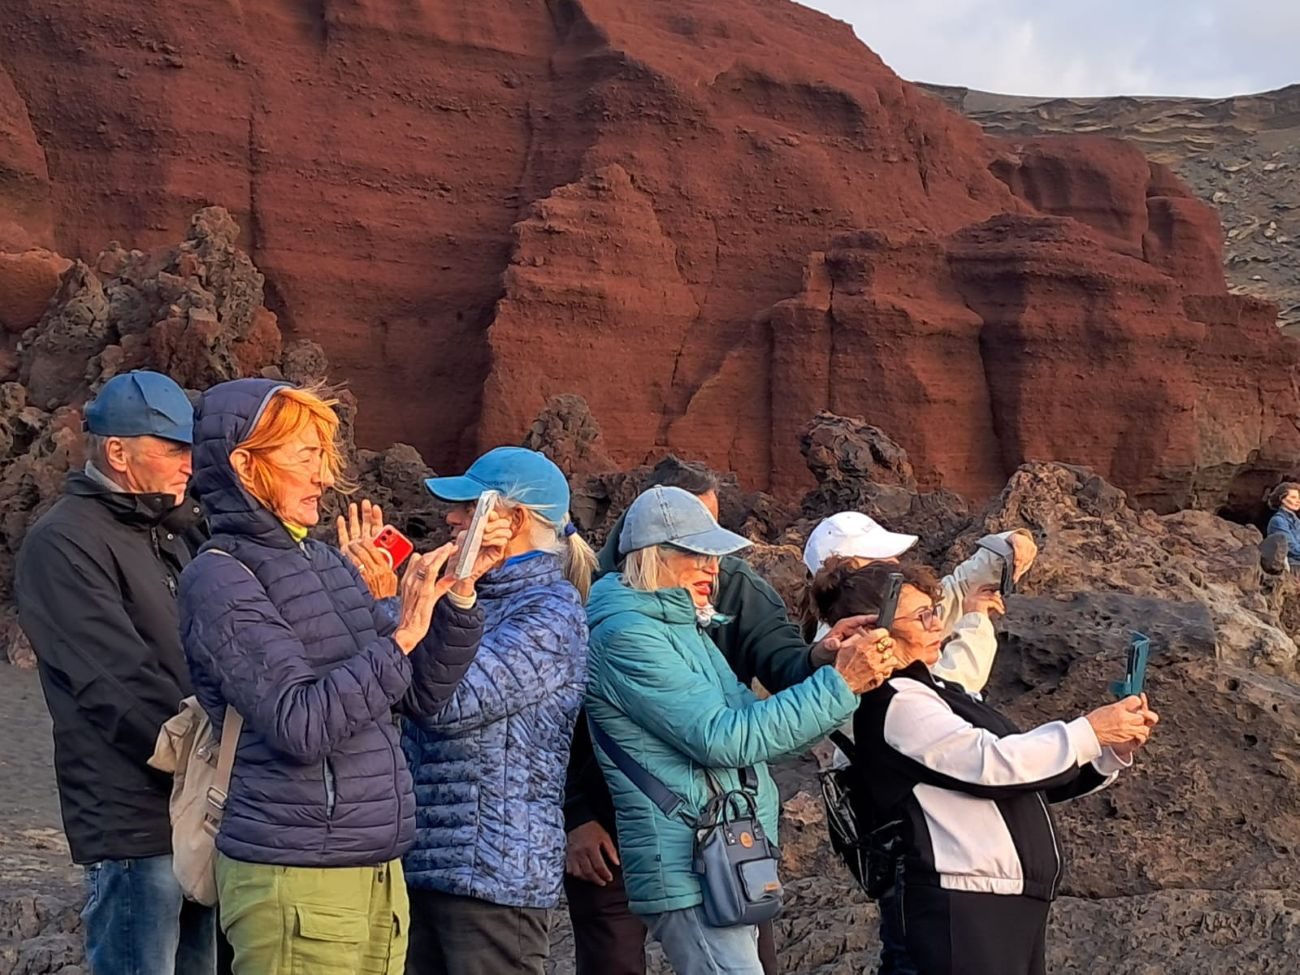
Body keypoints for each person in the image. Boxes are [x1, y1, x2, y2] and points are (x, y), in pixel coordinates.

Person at [178, 378, 503, 975]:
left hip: (375, 869)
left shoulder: (324, 561)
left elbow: (420, 694)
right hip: (296, 875)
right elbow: (301, 723)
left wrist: (457, 594)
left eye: (326, 456)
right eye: (306, 456)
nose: (326, 475)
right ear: (245, 466)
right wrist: (403, 630)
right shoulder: (219, 578)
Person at [566, 459, 872, 975]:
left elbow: (756, 720)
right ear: (654, 557)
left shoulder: (684, 625)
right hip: (688, 859)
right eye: (698, 553)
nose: (715, 568)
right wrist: (840, 685)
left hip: (720, 856)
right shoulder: (628, 636)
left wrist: (831, 672)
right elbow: (721, 738)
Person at [813, 561, 1158, 975]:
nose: (937, 622)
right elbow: (993, 763)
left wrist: (1107, 751)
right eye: (922, 615)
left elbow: (1022, 778)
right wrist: (1090, 730)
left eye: (934, 609)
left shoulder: (934, 691)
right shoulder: (895, 701)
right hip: (960, 905)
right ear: (874, 629)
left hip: (992, 901)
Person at [14, 371, 214, 975]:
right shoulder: (63, 543)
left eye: (191, 448)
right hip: (132, 819)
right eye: (173, 448)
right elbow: (113, 683)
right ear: (119, 452)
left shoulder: (172, 532)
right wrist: (205, 754)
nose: (188, 463)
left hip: (196, 813)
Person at [395, 447, 594, 975]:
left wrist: (405, 623)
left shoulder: (551, 614)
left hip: (494, 875)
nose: (452, 519)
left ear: (514, 520)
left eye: (469, 507)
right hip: (429, 863)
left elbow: (448, 706)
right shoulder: (472, 597)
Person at [802, 511, 1039, 695]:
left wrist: (1007, 547)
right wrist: (976, 623)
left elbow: (959, 587)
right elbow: (944, 692)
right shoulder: (853, 650)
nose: (896, 562)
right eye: (883, 559)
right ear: (852, 575)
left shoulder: (888, 611)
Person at [1266, 482, 1300, 566]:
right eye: (1293, 497)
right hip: (1292, 566)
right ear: (1282, 499)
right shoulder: (1278, 521)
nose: (1298, 501)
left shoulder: (1297, 521)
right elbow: (1290, 548)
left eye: (1299, 498)